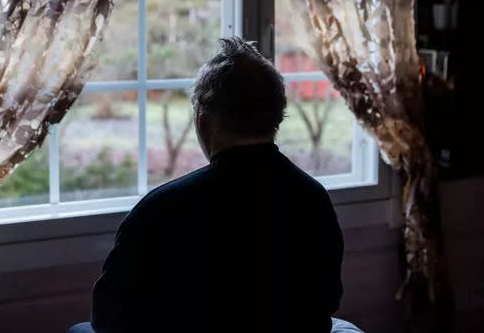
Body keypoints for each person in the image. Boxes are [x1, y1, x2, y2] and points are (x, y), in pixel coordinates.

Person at [69, 38, 361, 332]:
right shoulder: (313, 198)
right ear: (277, 116)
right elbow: (326, 302)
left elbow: (108, 317)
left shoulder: (162, 209)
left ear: (203, 121)